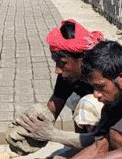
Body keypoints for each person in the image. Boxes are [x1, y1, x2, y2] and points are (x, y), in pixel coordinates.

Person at [13, 19, 104, 149]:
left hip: (121, 130)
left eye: (62, 63)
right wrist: (27, 126)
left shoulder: (105, 74)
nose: (57, 70)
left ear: (82, 57)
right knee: (75, 100)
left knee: (88, 105)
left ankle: (95, 152)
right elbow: (51, 110)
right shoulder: (68, 75)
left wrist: (53, 135)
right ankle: (82, 149)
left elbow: (109, 136)